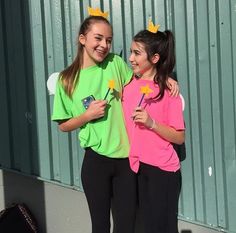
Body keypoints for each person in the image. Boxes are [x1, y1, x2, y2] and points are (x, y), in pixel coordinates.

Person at [52, 13, 179, 233]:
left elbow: (141, 77)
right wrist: (86, 115)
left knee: (125, 226)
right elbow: (63, 125)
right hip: (95, 162)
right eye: (98, 38)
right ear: (83, 39)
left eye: (109, 40)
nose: (104, 45)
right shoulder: (67, 80)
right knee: (100, 225)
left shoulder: (115, 63)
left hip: (126, 162)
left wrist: (163, 76)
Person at [122, 29, 185, 233]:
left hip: (163, 171)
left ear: (155, 57)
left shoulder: (168, 91)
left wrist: (152, 123)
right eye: (131, 52)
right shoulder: (129, 84)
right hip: (139, 167)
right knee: (149, 226)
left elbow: (179, 136)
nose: (130, 58)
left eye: (137, 53)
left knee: (163, 228)